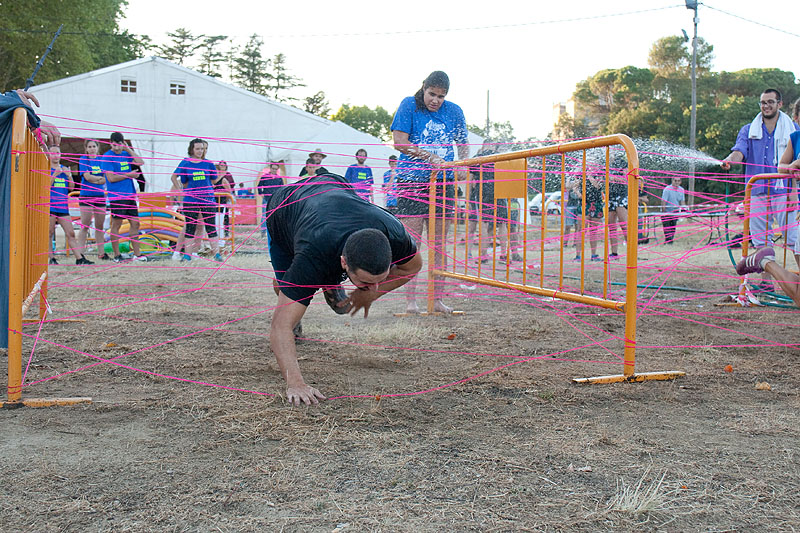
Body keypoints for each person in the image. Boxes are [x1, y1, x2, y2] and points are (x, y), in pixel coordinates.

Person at [266, 174, 423, 405]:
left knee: (333, 297)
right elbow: (279, 327)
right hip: (284, 210)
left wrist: (370, 294)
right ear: (344, 262)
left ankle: (329, 281)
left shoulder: (395, 233)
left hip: (333, 186)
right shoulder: (311, 255)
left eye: (379, 280)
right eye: (366, 283)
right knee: (285, 292)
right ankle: (318, 282)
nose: (374, 288)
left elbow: (413, 266)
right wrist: (296, 384)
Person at [390, 70, 469, 314]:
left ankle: (436, 300)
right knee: (412, 244)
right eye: (432, 94)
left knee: (439, 244)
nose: (435, 100)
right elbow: (400, 142)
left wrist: (463, 164)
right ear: (423, 88)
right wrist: (429, 156)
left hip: (443, 184)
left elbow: (463, 144)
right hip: (411, 182)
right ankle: (411, 302)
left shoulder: (454, 111)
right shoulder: (409, 105)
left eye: (441, 96)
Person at [721, 88, 798, 288]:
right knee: (760, 239)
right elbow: (739, 151)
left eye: (770, 102)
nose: (766, 106)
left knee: (794, 237)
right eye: (763, 102)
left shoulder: (792, 129)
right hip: (756, 190)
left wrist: (793, 192)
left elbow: (795, 162)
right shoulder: (748, 129)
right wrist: (730, 161)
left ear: (779, 104)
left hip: (784, 191)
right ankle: (766, 282)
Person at [170, 138, 223, 262]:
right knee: (190, 227)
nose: (200, 151)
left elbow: (214, 180)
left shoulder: (208, 164)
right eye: (197, 149)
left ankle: (216, 254)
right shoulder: (186, 163)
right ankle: (187, 255)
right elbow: (177, 178)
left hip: (207, 200)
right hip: (191, 200)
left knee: (210, 227)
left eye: (202, 149)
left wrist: (220, 176)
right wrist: (180, 191)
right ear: (192, 149)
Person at [102, 131, 147, 263]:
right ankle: (117, 255)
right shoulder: (107, 157)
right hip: (117, 196)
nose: (117, 148)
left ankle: (137, 254)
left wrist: (128, 149)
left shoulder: (125, 154)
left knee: (135, 223)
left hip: (130, 195)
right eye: (115, 145)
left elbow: (140, 162)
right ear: (111, 144)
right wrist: (129, 175)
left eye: (120, 145)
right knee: (117, 224)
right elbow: (111, 178)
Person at [47, 146, 92, 265]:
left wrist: (69, 176)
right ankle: (51, 258)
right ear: (49, 155)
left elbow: (71, 188)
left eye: (58, 153)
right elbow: (46, 187)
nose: (55, 155)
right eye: (53, 153)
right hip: (50, 205)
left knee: (70, 233)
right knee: (49, 233)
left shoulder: (64, 169)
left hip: (63, 206)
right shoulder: (46, 168)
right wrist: (54, 175)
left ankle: (79, 258)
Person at [76, 139, 108, 260]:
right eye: (89, 147)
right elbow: (87, 177)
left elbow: (105, 179)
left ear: (97, 148)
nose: (92, 149)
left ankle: (101, 253)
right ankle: (80, 254)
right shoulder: (84, 159)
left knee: (99, 226)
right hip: (86, 195)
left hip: (99, 196)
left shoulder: (101, 160)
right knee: (85, 225)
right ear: (86, 149)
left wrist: (96, 179)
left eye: (94, 146)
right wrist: (99, 179)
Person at [257, 162, 285, 237]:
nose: (274, 170)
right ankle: (263, 232)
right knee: (264, 215)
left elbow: (282, 189)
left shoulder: (279, 178)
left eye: (276, 169)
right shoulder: (264, 177)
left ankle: (274, 232)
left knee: (275, 216)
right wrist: (261, 194)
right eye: (273, 168)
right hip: (266, 199)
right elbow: (259, 186)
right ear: (270, 168)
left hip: (275, 201)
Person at [660, 176, 687, 244]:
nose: (677, 182)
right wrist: (664, 213)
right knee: (667, 227)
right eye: (675, 180)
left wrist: (684, 210)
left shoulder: (681, 190)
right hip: (667, 212)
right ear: (672, 181)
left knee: (673, 227)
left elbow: (682, 202)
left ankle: (670, 240)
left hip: (675, 212)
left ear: (680, 182)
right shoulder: (667, 189)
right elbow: (663, 202)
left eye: (678, 181)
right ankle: (668, 241)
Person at [214, 160, 234, 247]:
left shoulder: (224, 179)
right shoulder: (211, 180)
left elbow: (229, 192)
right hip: (212, 204)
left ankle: (221, 242)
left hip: (221, 204)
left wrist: (228, 202)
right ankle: (214, 242)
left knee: (219, 223)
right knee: (213, 224)